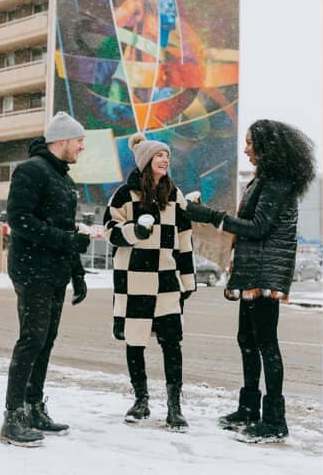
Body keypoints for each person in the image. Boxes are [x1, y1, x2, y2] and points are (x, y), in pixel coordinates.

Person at [186, 119, 315, 443]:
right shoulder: (264, 180)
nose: (245, 149)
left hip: (265, 273)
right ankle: (248, 409)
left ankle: (274, 419)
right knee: (247, 339)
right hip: (253, 270)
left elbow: (257, 227)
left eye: (249, 143)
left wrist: (211, 216)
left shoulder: (276, 182)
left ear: (265, 147)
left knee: (265, 343)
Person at [0, 112, 90, 447]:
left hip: (54, 272)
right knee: (31, 340)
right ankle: (13, 418)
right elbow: (19, 220)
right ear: (62, 140)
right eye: (79, 140)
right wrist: (65, 241)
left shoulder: (64, 179)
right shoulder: (32, 170)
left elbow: (68, 232)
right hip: (31, 268)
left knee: (45, 340)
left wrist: (78, 274)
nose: (82, 147)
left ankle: (34, 407)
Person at [105, 133, 195, 431]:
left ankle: (175, 407)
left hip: (167, 280)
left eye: (167, 155)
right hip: (133, 280)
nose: (165, 160)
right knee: (136, 340)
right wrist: (135, 232)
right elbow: (110, 231)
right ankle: (141, 400)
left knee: (173, 343)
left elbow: (184, 240)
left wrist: (188, 280)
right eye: (159, 155)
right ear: (146, 161)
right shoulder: (124, 194)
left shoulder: (174, 195)